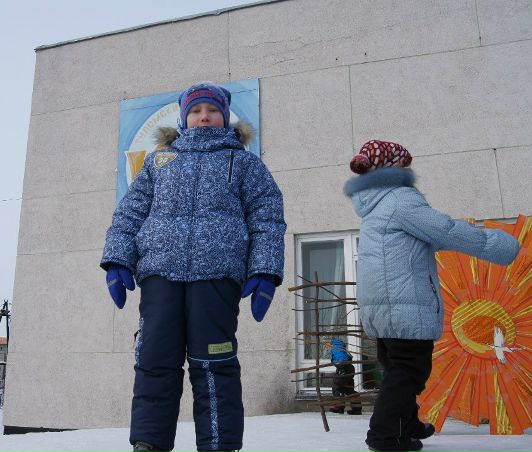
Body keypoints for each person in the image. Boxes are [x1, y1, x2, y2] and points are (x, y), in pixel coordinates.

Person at [100, 82, 286, 452]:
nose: (204, 117)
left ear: (224, 118)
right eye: (197, 111)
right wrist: (117, 260)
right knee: (155, 360)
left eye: (212, 111)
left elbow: (267, 217)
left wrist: (265, 271)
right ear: (184, 118)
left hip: (216, 278)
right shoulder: (159, 161)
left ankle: (219, 444)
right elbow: (129, 214)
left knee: (213, 363)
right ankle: (149, 443)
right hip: (160, 276)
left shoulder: (244, 163)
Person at [344, 140, 520, 452]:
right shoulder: (400, 199)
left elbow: (420, 241)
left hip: (384, 306)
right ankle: (384, 436)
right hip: (403, 305)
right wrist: (500, 245)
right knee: (409, 369)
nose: (411, 169)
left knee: (399, 368)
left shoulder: (376, 204)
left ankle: (405, 423)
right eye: (405, 163)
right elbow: (445, 231)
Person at [328, 337, 362, 415]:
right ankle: (356, 408)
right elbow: (349, 358)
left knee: (336, 386)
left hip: (343, 368)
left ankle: (339, 406)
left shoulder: (336, 348)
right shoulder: (342, 348)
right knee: (348, 388)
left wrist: (341, 369)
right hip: (349, 368)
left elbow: (341, 359)